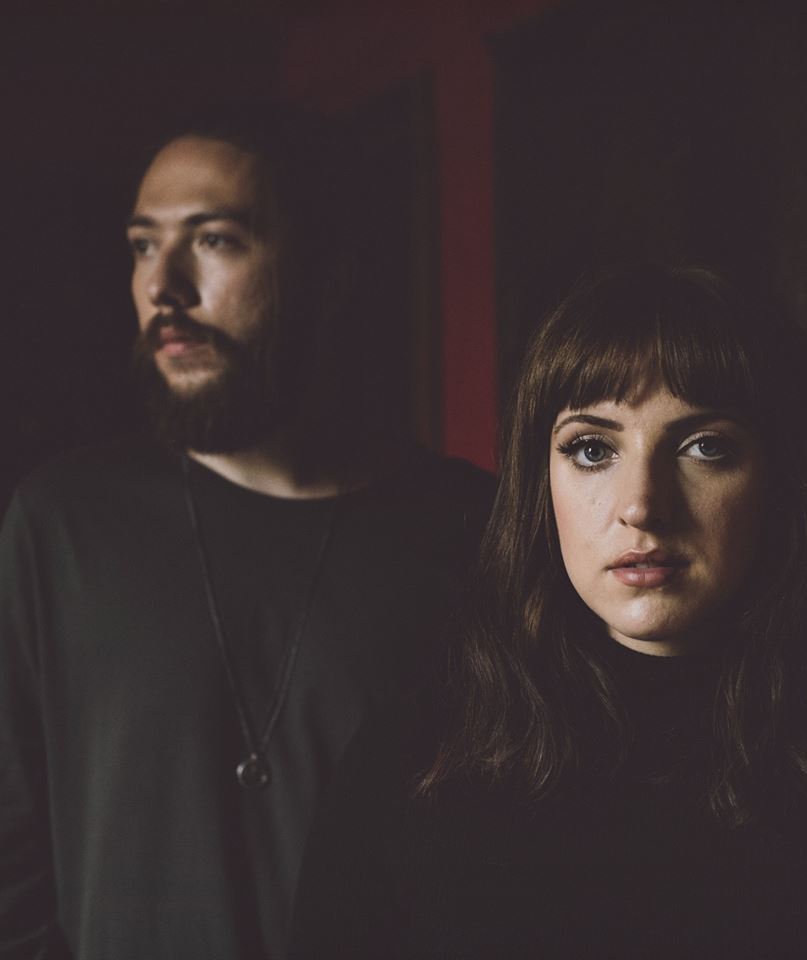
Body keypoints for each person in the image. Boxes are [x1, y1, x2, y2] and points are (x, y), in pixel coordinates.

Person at [289, 263, 807, 958]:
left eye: (705, 447)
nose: (641, 505)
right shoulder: (407, 771)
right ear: (540, 484)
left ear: (782, 484)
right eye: (592, 449)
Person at [0, 107, 491, 959]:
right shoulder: (62, 523)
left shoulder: (466, 528)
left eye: (216, 240)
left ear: (327, 272)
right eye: (143, 246)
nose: (164, 288)